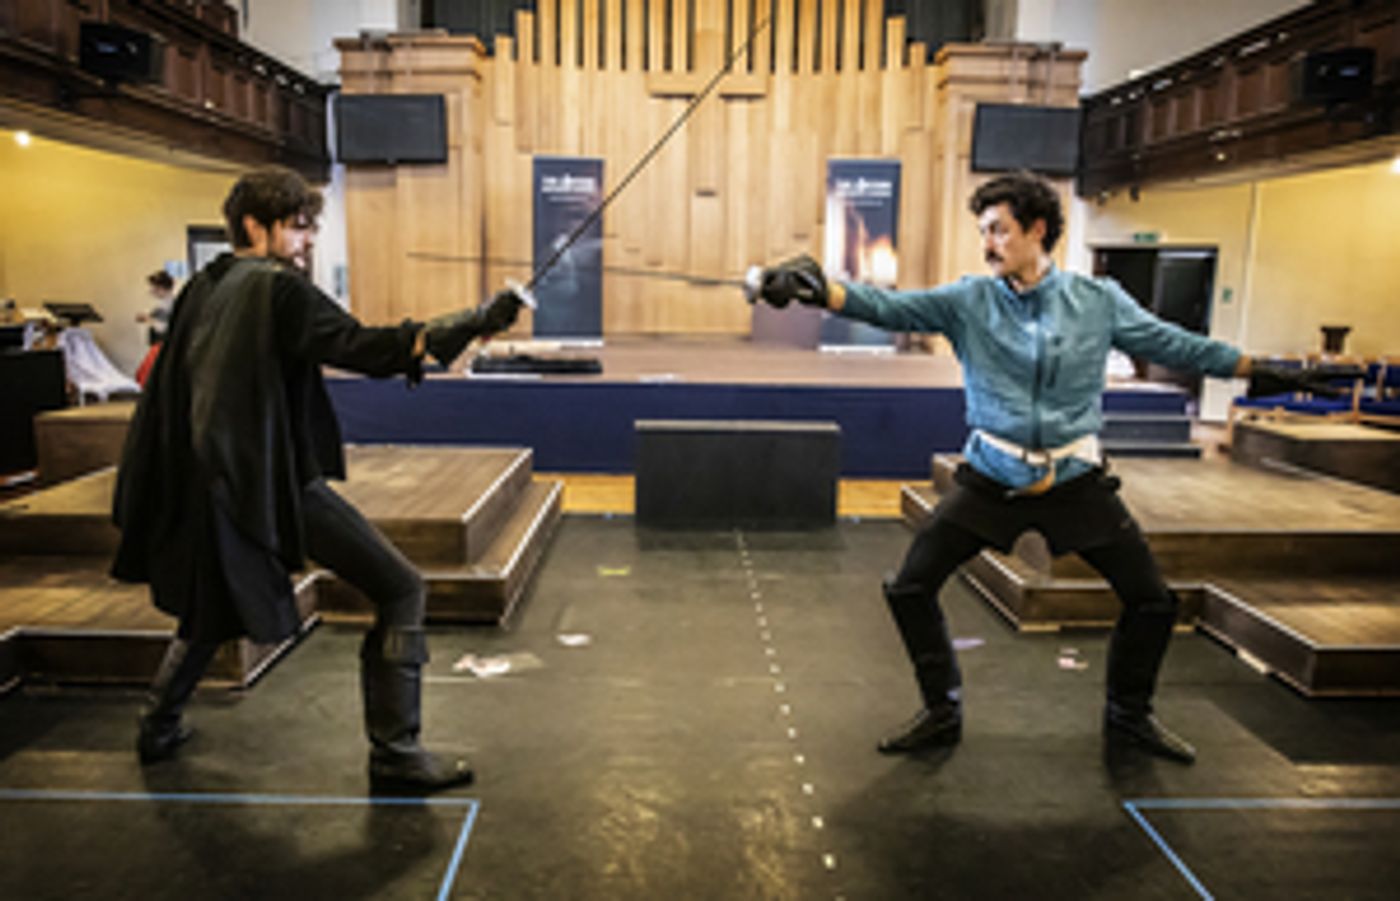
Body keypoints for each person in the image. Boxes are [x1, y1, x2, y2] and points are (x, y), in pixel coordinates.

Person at [752, 170, 1332, 764]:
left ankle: (1129, 718)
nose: (987, 244)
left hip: (1075, 482)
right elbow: (892, 306)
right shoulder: (969, 300)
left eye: (998, 230)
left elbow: (1176, 345)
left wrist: (1260, 370)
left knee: (1152, 601)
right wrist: (819, 291)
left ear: (1036, 229)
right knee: (909, 587)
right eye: (982, 231)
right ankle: (941, 711)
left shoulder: (1097, 301)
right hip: (989, 479)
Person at [112, 165, 523, 791]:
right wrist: (471, 320)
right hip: (268, 480)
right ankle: (396, 754)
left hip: (211, 482)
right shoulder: (278, 288)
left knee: (208, 602)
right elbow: (363, 346)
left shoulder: (205, 284)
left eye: (309, 229)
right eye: (296, 228)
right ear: (256, 226)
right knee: (400, 589)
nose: (306, 242)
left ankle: (156, 724)